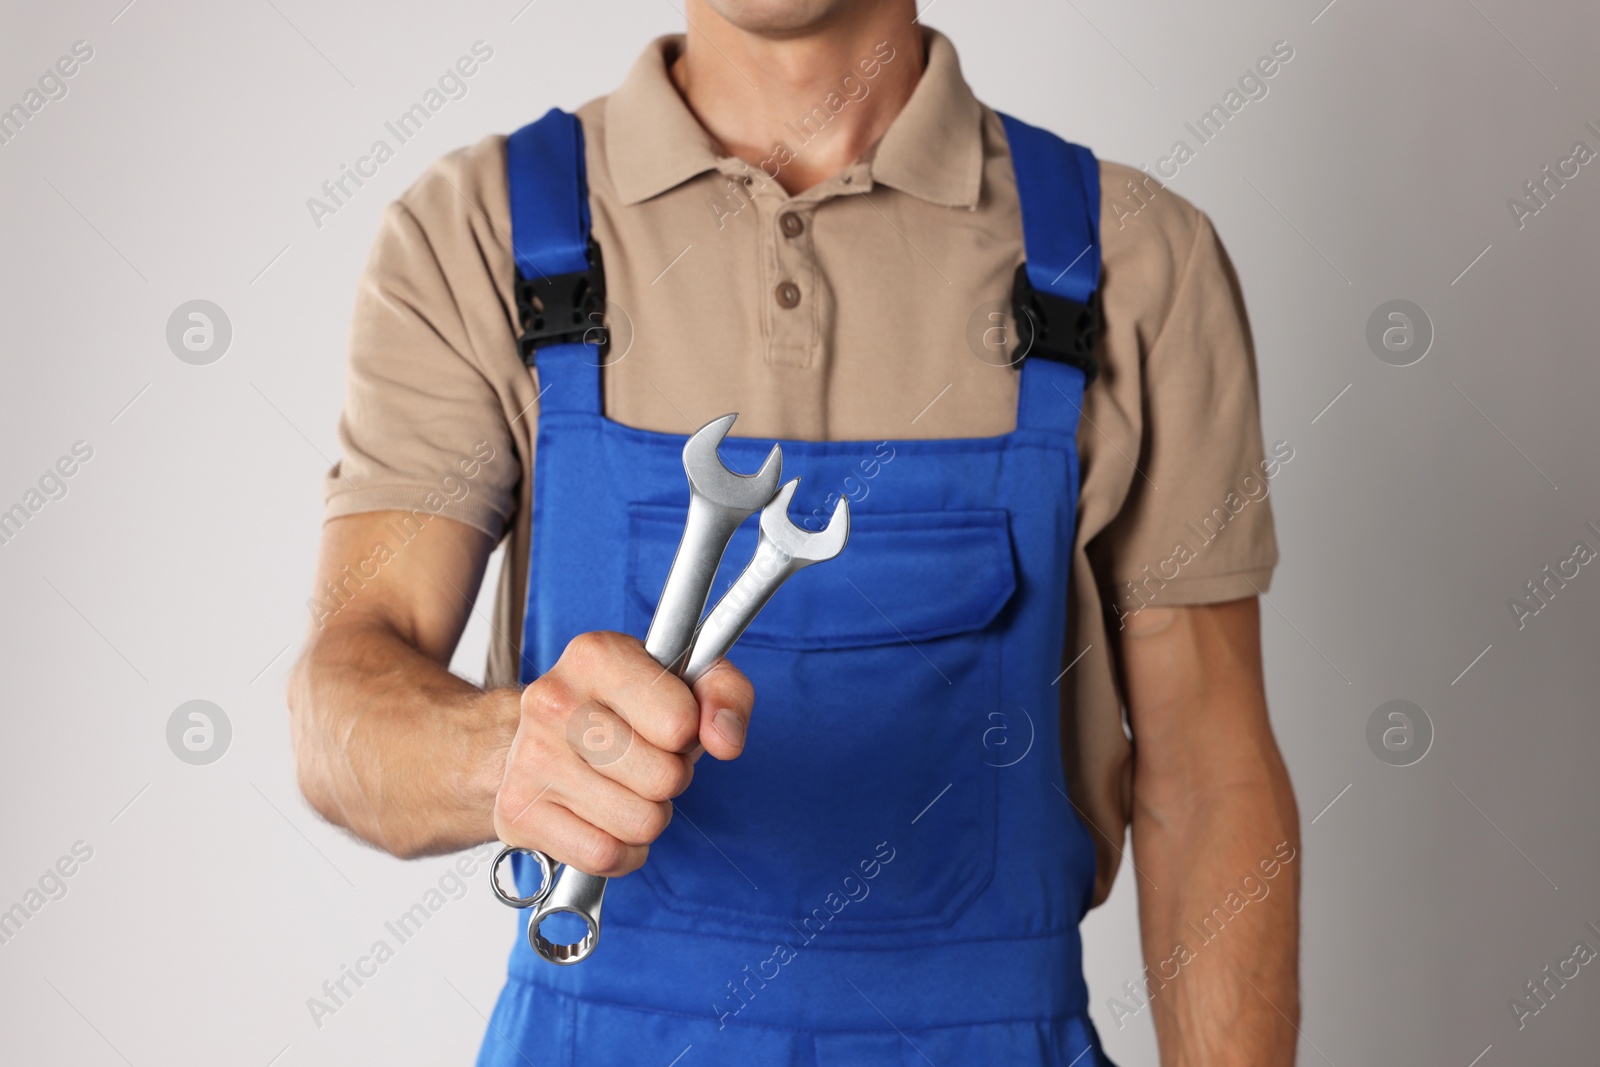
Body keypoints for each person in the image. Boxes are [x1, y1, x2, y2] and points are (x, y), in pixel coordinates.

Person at [288, 1, 1301, 1063]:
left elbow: (1206, 774)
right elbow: (338, 704)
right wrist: (504, 750)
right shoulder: (478, 233)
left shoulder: (1134, 258)